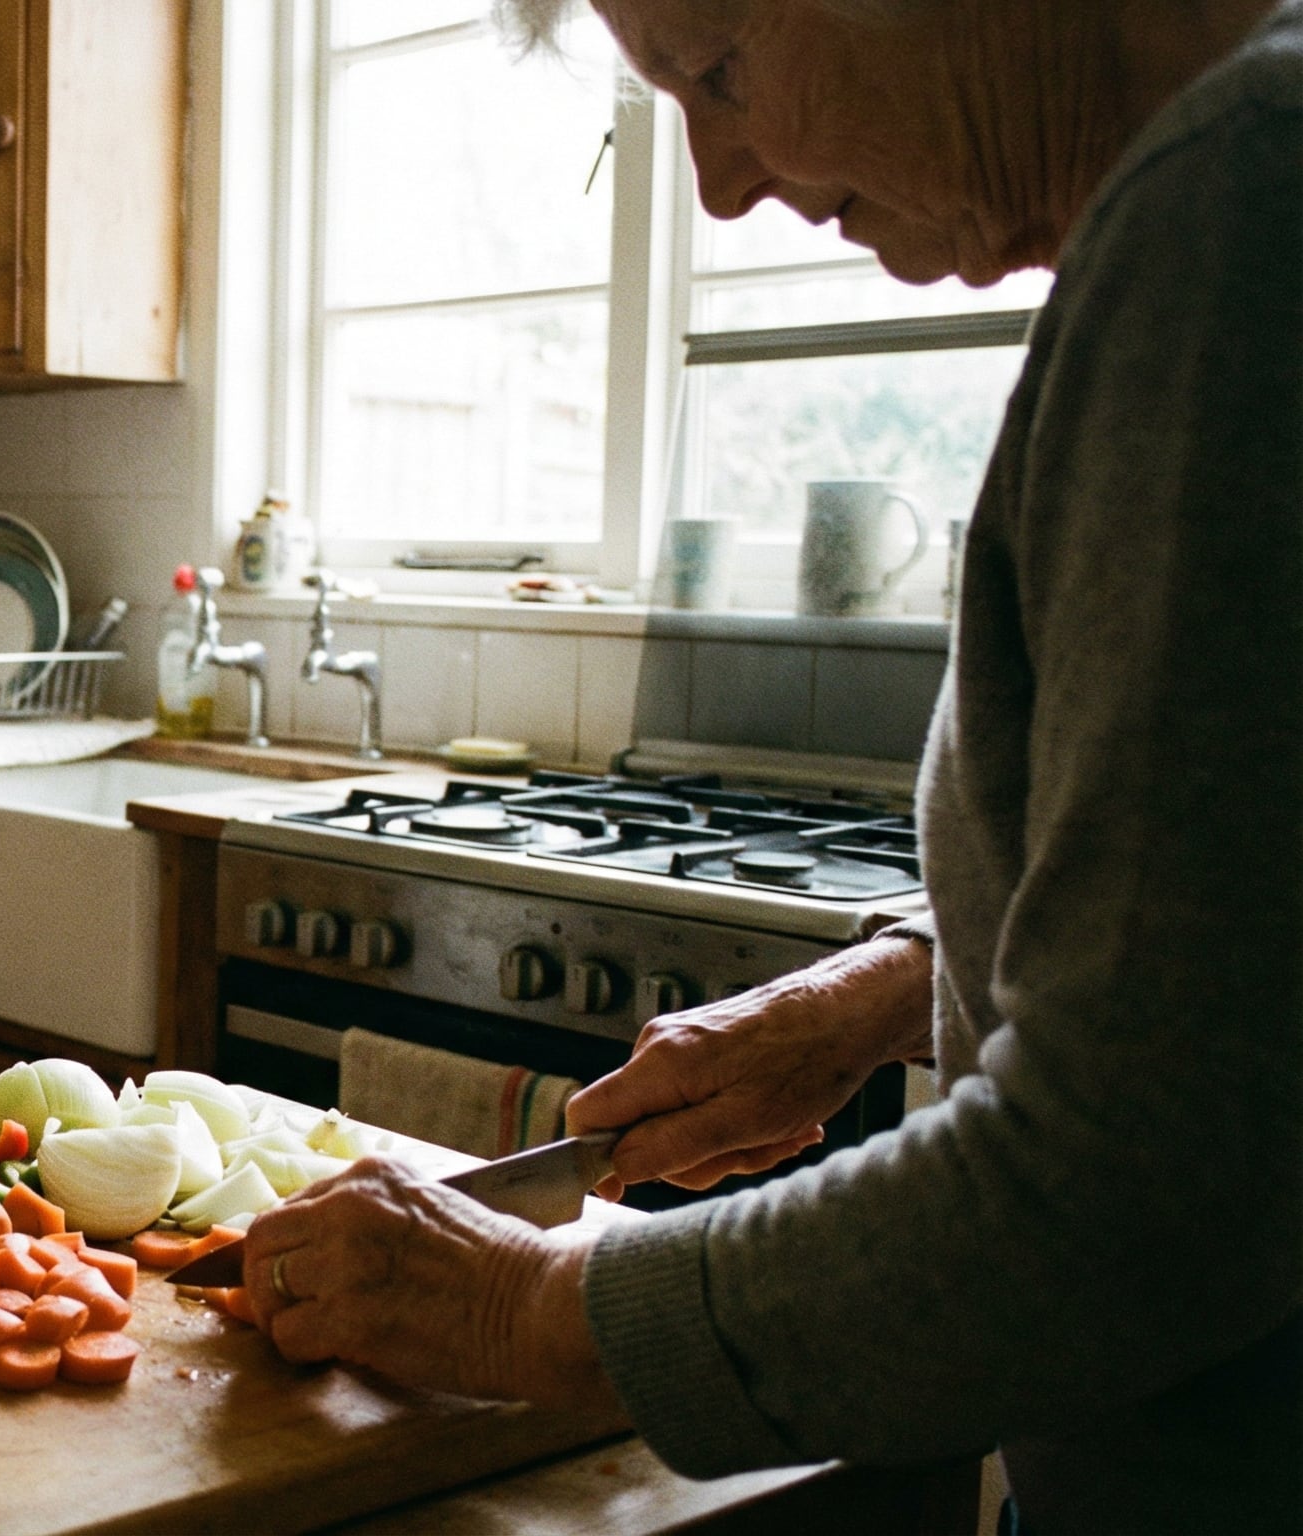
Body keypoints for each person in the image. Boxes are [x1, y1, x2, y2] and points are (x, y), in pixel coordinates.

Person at [238, 1, 1303, 1528]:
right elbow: (1251, 907)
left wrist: (524, 1312)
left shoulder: (1241, 203)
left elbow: (1139, 1192)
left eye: (720, 72)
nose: (728, 185)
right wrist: (878, 994)